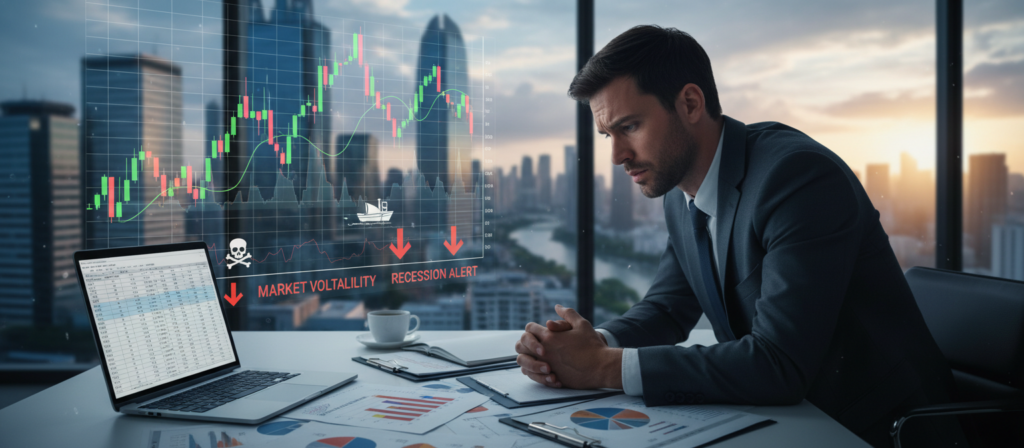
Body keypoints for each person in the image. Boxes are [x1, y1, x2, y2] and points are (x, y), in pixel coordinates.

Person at [514, 25, 963, 447]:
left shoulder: (796, 179)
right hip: (788, 419)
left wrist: (602, 368)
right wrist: (589, 344)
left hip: (877, 428)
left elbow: (778, 363)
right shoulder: (680, 188)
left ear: (690, 104)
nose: (616, 155)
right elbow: (669, 308)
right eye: (607, 133)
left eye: (630, 126)